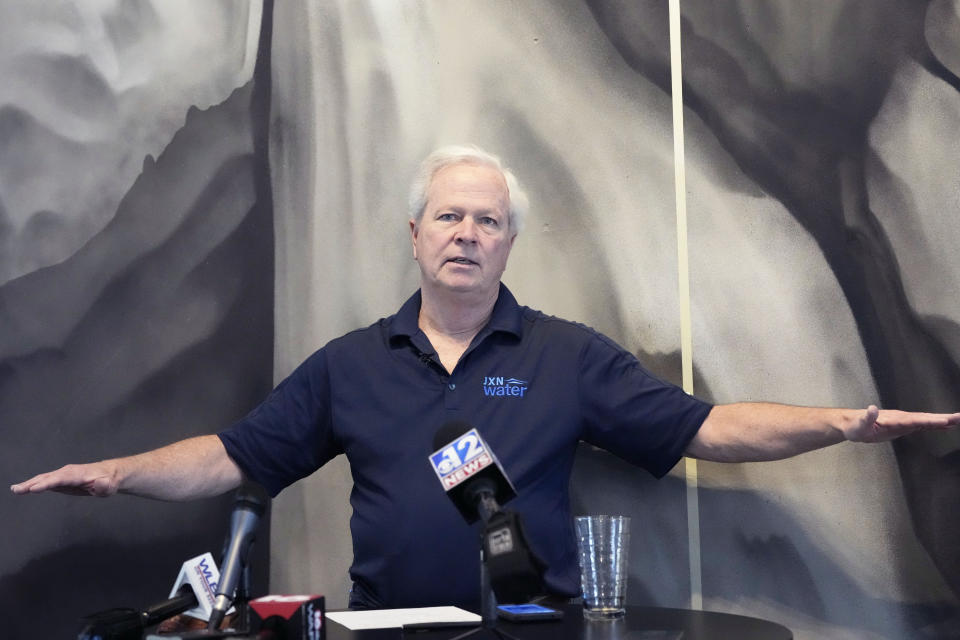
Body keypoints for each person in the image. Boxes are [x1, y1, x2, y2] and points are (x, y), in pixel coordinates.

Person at [11, 145, 960, 611]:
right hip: (386, 636)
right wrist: (123, 471)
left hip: (536, 634)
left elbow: (704, 427)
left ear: (510, 242)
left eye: (487, 221)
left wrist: (839, 422)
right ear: (415, 235)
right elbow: (231, 456)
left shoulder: (568, 355)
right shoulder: (349, 363)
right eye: (449, 217)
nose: (467, 233)